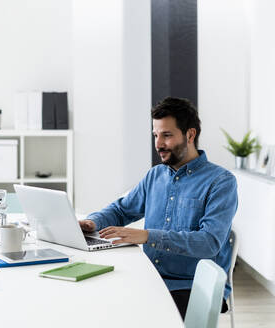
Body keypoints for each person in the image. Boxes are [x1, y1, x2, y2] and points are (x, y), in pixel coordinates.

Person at [79, 97, 238, 319]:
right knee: (96, 303)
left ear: (190, 135)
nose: (158, 144)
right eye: (155, 135)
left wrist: (146, 236)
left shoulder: (221, 182)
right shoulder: (155, 175)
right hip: (152, 276)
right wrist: (92, 222)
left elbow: (209, 242)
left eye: (167, 135)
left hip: (194, 286)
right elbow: (121, 210)